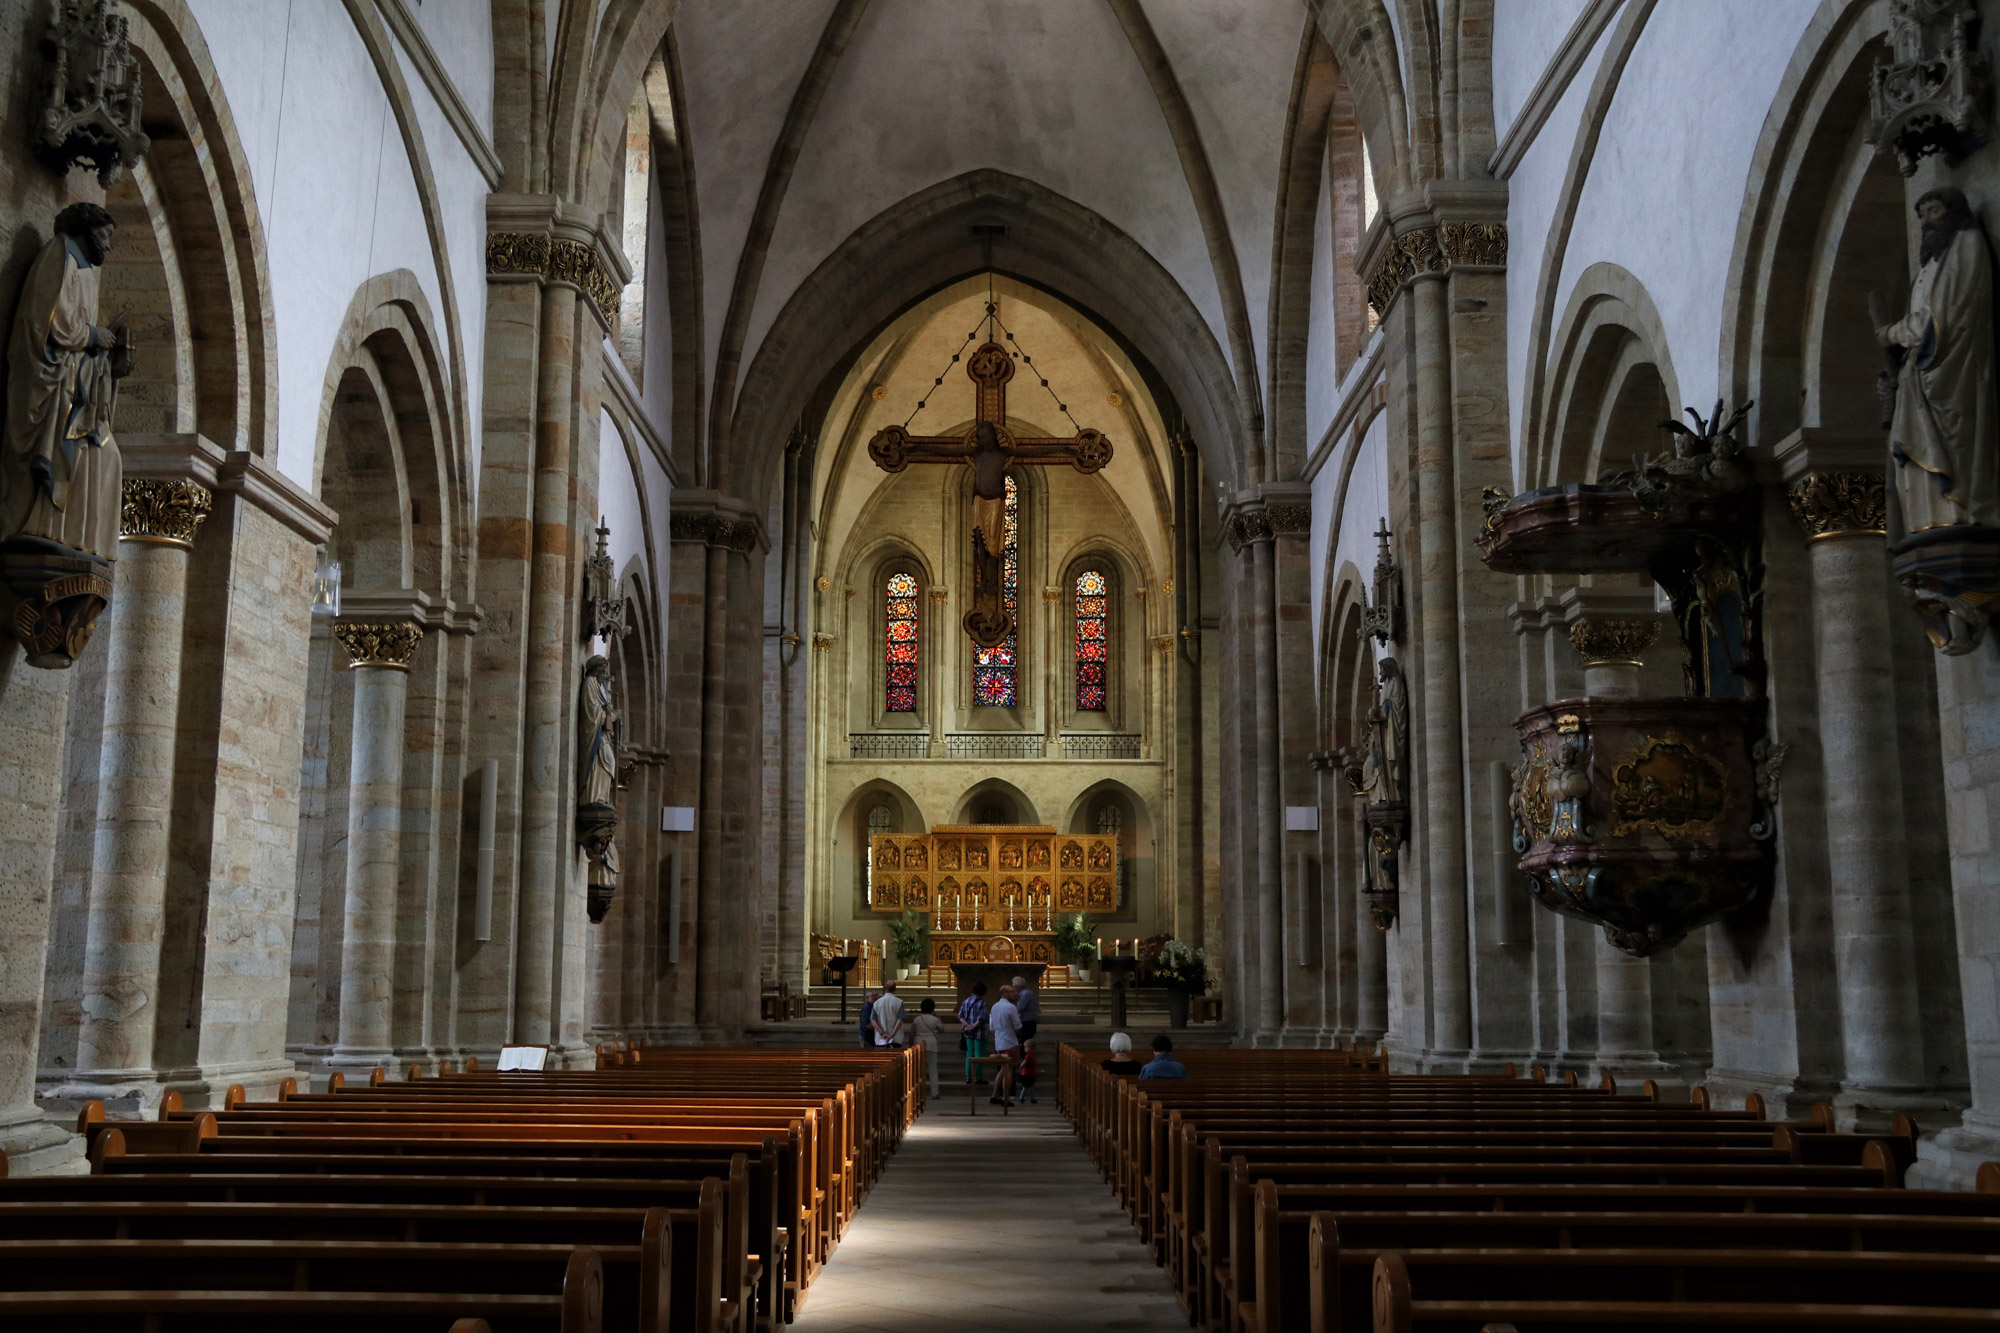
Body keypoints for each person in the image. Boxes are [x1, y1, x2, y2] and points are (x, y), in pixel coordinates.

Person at [987, 983, 1022, 1104]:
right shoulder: (1011, 1007)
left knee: (1002, 1069)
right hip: (1010, 1041)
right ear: (1005, 993)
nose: (1015, 993)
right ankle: (1006, 1098)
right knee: (1009, 1069)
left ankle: (995, 1094)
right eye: (1012, 991)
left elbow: (991, 1027)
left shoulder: (994, 1006)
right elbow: (1017, 1025)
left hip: (999, 1042)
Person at [911, 998, 944, 1098]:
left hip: (918, 1043)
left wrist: (910, 1045)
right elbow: (942, 1029)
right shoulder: (935, 1020)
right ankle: (934, 1092)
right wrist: (938, 1017)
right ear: (932, 1008)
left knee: (918, 1069)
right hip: (931, 1044)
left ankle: (917, 1091)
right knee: (932, 1069)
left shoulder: (917, 1019)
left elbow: (912, 1033)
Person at [957, 982, 989, 1083]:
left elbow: (960, 1015)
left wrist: (967, 1026)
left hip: (968, 1032)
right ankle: (977, 1077)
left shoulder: (966, 1001)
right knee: (979, 1054)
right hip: (980, 1032)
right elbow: (982, 1018)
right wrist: (974, 1026)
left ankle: (968, 1076)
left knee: (970, 1053)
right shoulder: (982, 1002)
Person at [871, 980, 905, 1048]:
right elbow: (900, 1020)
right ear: (894, 989)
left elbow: (873, 1020)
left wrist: (882, 1033)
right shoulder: (899, 1002)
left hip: (881, 1039)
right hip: (896, 1038)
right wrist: (892, 1034)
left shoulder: (876, 1003)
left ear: (884, 988)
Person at [1012, 973, 1040, 1042]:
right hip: (1026, 1022)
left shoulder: (1025, 994)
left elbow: (1019, 1008)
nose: (1013, 988)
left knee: (1024, 1042)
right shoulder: (1024, 993)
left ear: (1019, 986)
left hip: (1027, 1023)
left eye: (1014, 986)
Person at [1014, 1039, 1039, 1104]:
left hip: (1026, 1074)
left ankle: (1021, 1097)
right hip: (1031, 1074)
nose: (1024, 1049)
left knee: (1025, 1087)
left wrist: (1020, 1065)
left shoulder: (1028, 1055)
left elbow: (1024, 1062)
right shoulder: (1034, 1055)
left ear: (1030, 1048)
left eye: (1026, 1047)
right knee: (1031, 1087)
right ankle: (1032, 1098)